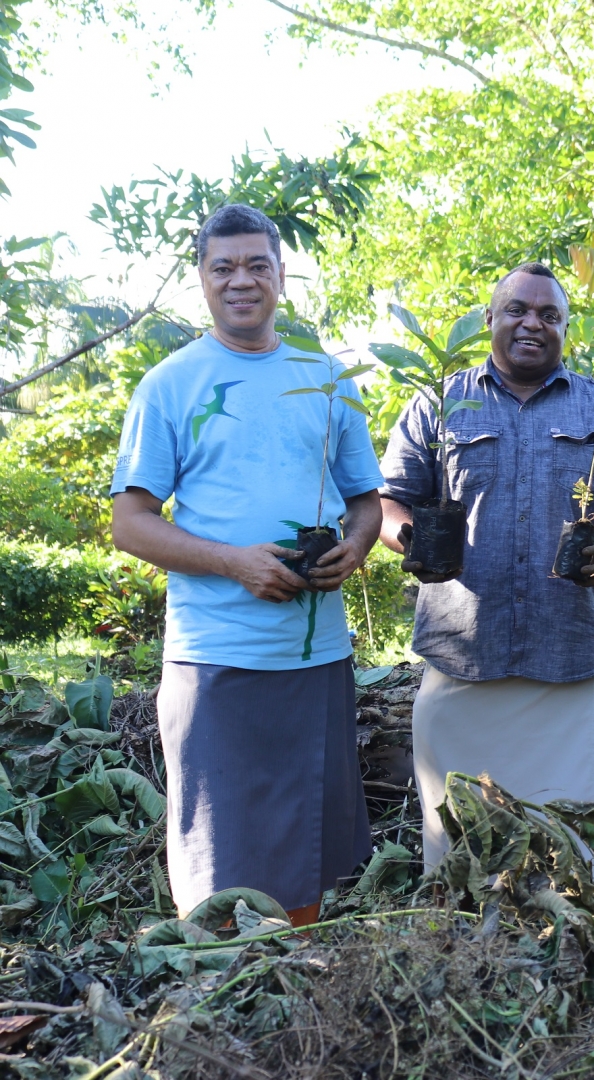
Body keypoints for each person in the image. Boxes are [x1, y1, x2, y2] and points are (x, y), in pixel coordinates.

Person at [111, 203, 382, 926]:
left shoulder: (328, 378)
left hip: (316, 655)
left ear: (281, 275)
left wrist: (356, 546)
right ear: (201, 278)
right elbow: (129, 522)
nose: (242, 280)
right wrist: (233, 563)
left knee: (310, 852)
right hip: (215, 658)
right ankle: (220, 981)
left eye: (257, 265)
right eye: (223, 266)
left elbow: (366, 501)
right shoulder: (169, 385)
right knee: (219, 859)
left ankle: (297, 981)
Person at [379, 263, 594, 870]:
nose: (532, 323)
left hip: (574, 663)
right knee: (464, 861)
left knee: (586, 861)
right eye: (517, 309)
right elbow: (388, 501)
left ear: (566, 328)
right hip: (463, 660)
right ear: (489, 317)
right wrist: (410, 540)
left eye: (549, 315)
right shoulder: (438, 402)